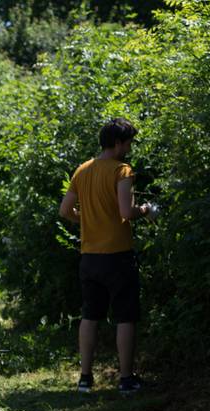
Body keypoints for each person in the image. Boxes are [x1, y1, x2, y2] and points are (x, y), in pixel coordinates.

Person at [59, 117, 154, 394]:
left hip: (89, 256)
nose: (129, 148)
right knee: (125, 316)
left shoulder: (83, 170)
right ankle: (126, 379)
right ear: (117, 144)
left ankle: (85, 379)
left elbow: (65, 211)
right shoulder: (122, 171)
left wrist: (86, 220)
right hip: (118, 255)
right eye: (127, 143)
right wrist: (146, 210)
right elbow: (127, 212)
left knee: (90, 315)